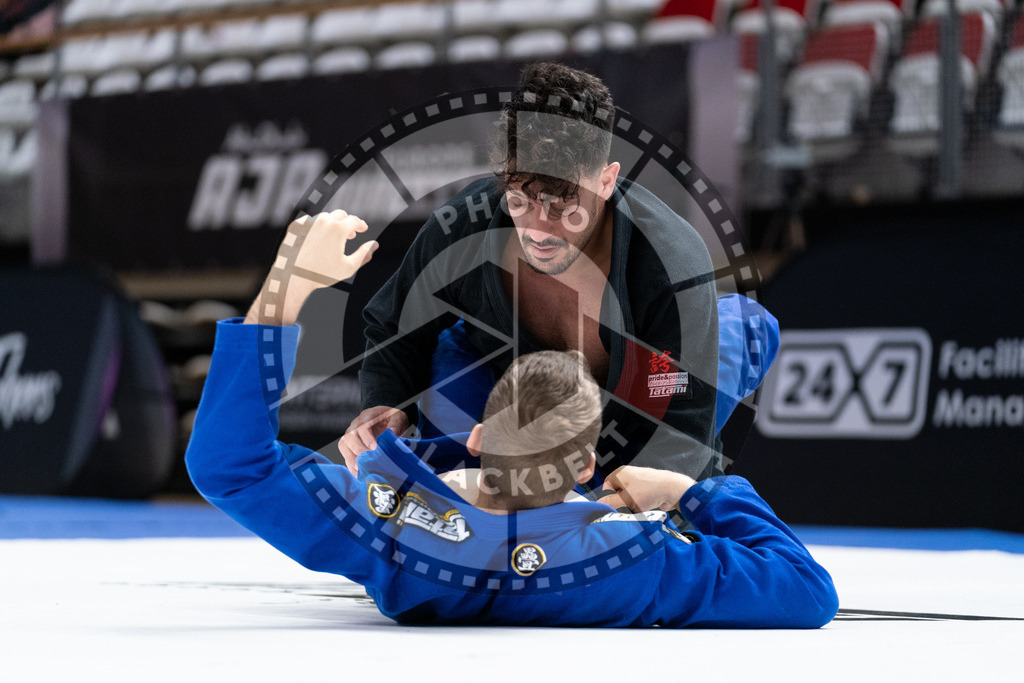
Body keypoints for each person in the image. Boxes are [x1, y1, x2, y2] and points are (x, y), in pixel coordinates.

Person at [186, 210, 837, 628]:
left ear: (474, 435)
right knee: (742, 326)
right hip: (620, 477)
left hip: (491, 473)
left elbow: (228, 467)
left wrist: (289, 282)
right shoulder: (629, 560)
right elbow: (808, 590)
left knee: (452, 346)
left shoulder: (389, 530)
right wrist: (690, 490)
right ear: (589, 461)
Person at [343, 62, 730, 485]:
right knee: (450, 481)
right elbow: (393, 328)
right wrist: (386, 402)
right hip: (499, 372)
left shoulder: (671, 264)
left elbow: (683, 432)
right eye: (519, 200)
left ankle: (741, 329)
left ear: (606, 180)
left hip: (648, 380)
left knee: (663, 474)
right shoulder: (461, 227)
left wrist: (628, 509)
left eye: (563, 204)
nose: (539, 230)